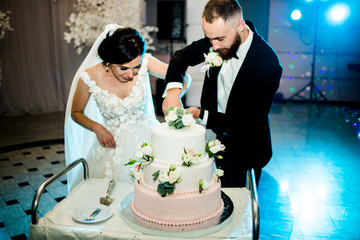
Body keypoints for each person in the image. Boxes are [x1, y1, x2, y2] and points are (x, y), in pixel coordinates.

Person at [162, 0, 283, 187]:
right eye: (209, 38)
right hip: (216, 137)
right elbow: (180, 57)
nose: (214, 46)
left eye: (219, 39)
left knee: (239, 205)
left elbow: (247, 121)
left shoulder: (268, 65)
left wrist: (200, 114)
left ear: (240, 25)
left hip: (246, 148)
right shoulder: (218, 38)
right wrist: (172, 92)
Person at [65, 24, 170, 192]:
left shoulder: (146, 62)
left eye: (136, 67)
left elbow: (181, 76)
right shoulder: (89, 77)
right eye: (123, 68)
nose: (130, 74)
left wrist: (172, 95)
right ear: (109, 60)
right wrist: (97, 128)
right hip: (111, 144)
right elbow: (76, 113)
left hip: (147, 135)